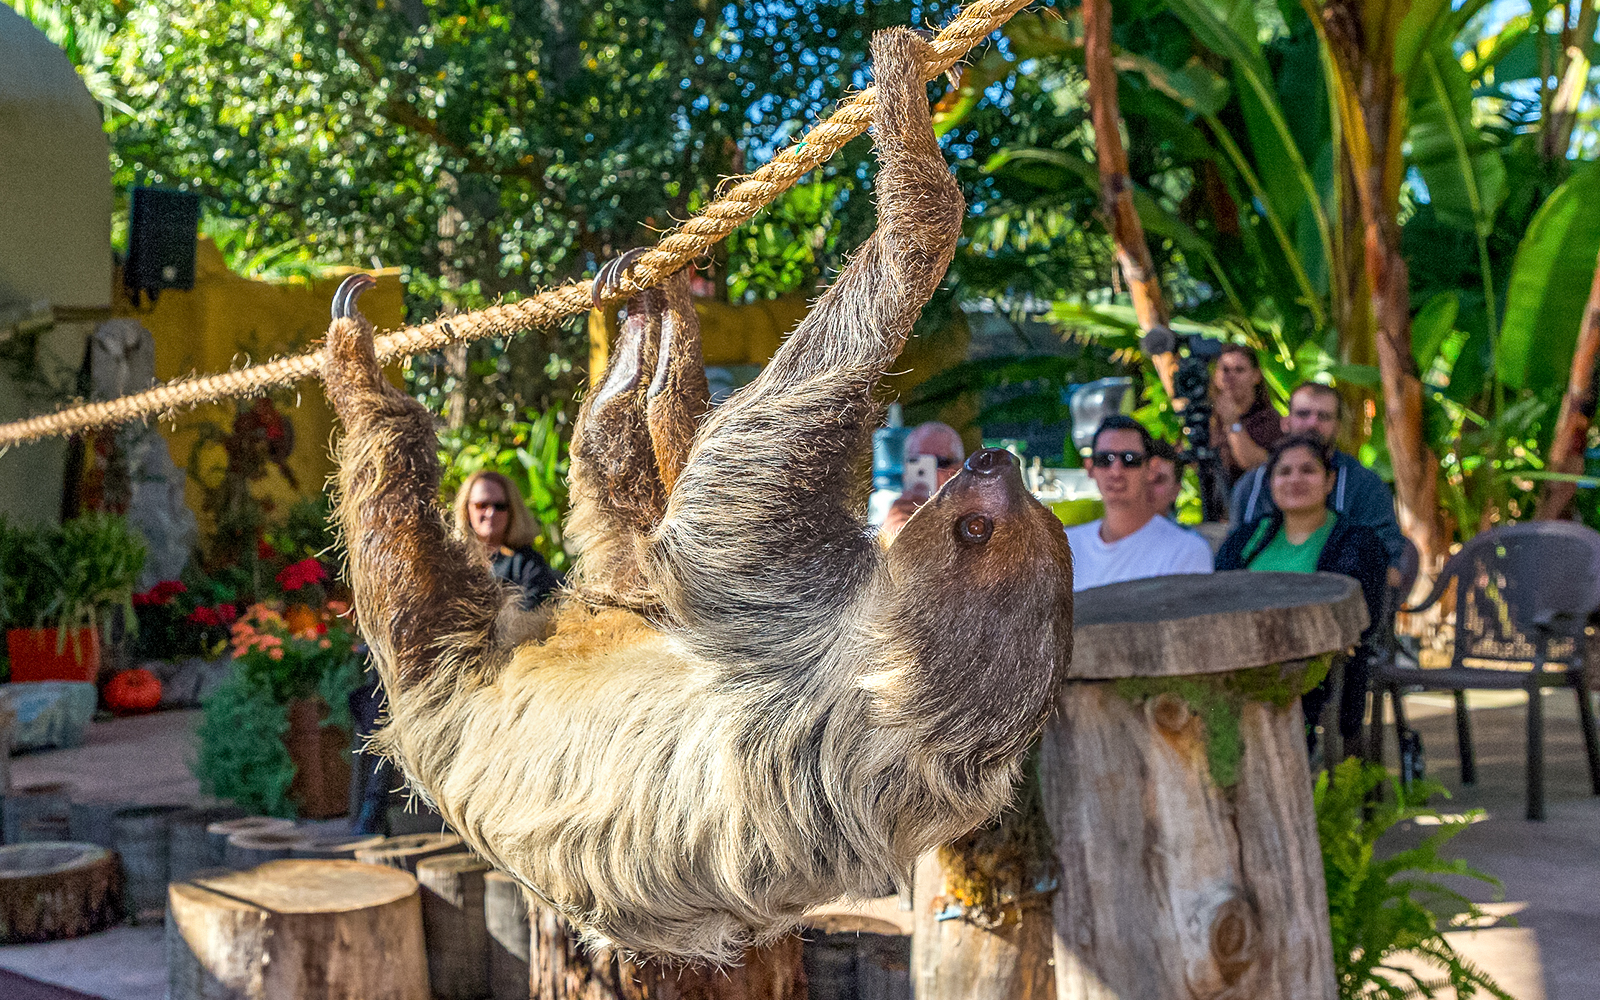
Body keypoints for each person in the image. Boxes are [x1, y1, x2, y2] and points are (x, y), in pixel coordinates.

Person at [1216, 433, 1389, 756]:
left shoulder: (1357, 543)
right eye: (1284, 472)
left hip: (1316, 671)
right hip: (1236, 659)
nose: (1295, 479)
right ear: (1270, 483)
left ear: (1329, 480)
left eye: (1308, 470)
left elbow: (1362, 621)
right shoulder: (1246, 538)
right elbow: (1216, 599)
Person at [1229, 381, 1404, 567]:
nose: (1313, 423)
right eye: (1303, 414)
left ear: (1338, 426)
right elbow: (1233, 554)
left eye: (1324, 417)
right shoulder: (1251, 485)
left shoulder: (1366, 485)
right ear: (1286, 422)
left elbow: (1389, 558)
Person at [1065, 415, 1213, 591]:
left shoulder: (1187, 551)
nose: (1116, 471)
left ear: (1151, 468)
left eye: (1129, 459)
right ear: (1090, 468)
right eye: (1105, 459)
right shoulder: (1064, 548)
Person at [453, 470, 563, 609]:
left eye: (500, 506)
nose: (490, 513)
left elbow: (531, 613)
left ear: (512, 511)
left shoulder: (528, 564)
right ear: (466, 509)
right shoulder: (453, 562)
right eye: (482, 505)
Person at [880, 421, 965, 541]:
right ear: (905, 469)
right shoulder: (890, 513)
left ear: (959, 469)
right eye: (916, 461)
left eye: (940, 462)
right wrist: (886, 541)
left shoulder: (973, 517)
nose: (926, 472)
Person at [1211, 345, 1283, 486]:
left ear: (1256, 376)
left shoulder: (1270, 420)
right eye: (1225, 370)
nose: (1230, 377)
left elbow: (1255, 464)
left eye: (1239, 370)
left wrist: (1233, 424)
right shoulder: (1209, 417)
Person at [1146, 438, 1185, 519]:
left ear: (1176, 490)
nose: (1147, 487)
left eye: (1158, 480)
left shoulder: (1185, 532)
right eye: (1142, 479)